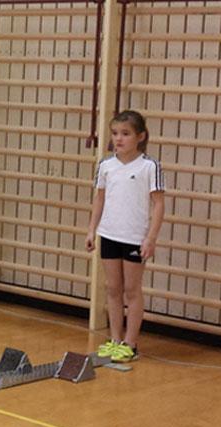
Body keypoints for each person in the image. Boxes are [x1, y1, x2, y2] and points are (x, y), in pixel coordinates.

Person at [86, 110, 165, 363]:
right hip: (110, 234)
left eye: (126, 134)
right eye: (115, 133)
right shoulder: (105, 165)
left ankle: (131, 343)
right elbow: (99, 199)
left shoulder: (149, 166)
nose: (119, 139)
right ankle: (115, 339)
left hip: (134, 237)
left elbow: (159, 204)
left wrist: (150, 238)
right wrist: (92, 229)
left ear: (140, 137)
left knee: (131, 289)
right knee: (113, 288)